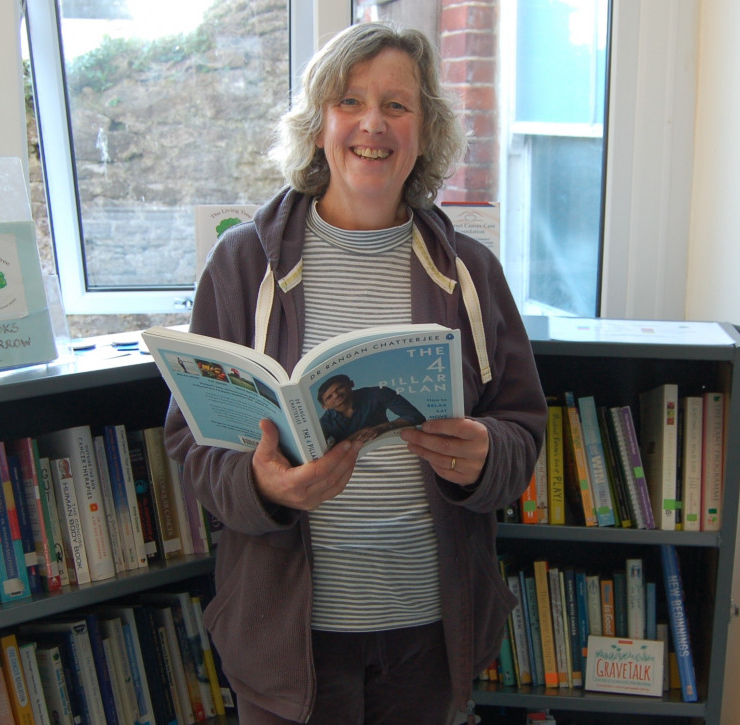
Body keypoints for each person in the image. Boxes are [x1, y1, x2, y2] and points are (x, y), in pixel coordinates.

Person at [164, 21, 547, 725]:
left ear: (425, 132)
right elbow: (191, 448)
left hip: (431, 636)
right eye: (349, 101)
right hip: (289, 646)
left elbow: (523, 431)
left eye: (397, 105)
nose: (373, 123)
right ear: (318, 126)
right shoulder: (242, 265)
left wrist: (487, 455)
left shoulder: (473, 272)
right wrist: (263, 486)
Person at [316, 374, 426, 445]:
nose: (336, 395)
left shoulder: (377, 393)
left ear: (351, 384)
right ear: (324, 407)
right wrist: (354, 437)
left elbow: (416, 416)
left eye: (339, 388)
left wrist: (384, 427)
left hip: (389, 446)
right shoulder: (324, 423)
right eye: (329, 397)